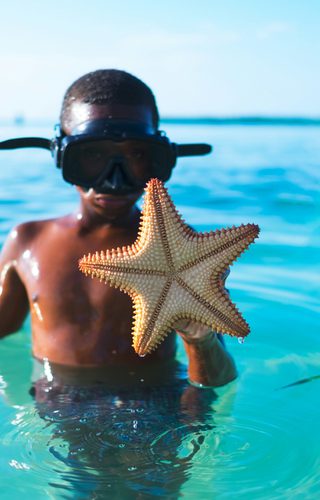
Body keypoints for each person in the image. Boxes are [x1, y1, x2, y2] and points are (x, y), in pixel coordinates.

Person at [0, 69, 236, 388]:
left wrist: (200, 338)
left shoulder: (187, 253)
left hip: (160, 408)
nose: (114, 180)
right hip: (59, 404)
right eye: (92, 155)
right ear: (61, 155)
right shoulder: (28, 241)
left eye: (139, 156)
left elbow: (217, 380)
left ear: (160, 159)